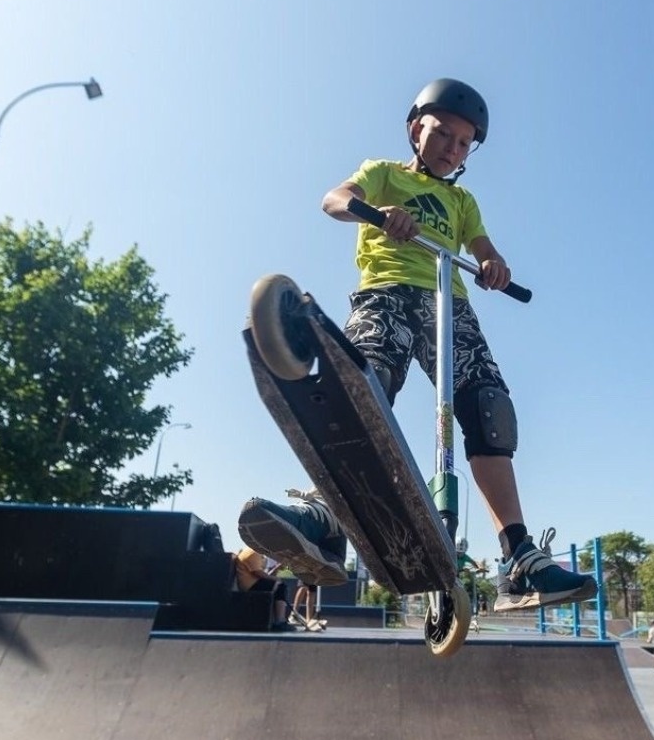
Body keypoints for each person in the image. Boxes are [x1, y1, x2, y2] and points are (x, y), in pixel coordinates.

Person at [239, 78, 596, 614]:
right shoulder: (383, 174)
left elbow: (486, 250)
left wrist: (495, 267)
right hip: (386, 293)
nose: (452, 149)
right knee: (365, 382)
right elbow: (334, 199)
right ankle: (327, 517)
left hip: (448, 306)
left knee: (489, 407)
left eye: (463, 144)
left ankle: (519, 559)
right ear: (416, 130)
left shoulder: (462, 200)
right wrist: (379, 214)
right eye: (443, 135)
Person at [233, 546, 289, 630]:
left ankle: (278, 619)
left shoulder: (251, 552)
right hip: (250, 586)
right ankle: (280, 621)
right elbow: (258, 573)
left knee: (277, 585)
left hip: (252, 583)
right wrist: (276, 579)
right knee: (280, 586)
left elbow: (262, 573)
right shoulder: (253, 553)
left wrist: (276, 569)